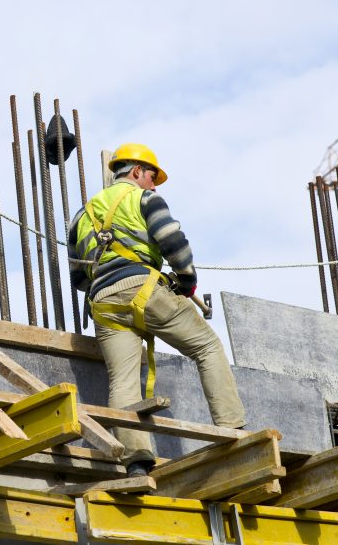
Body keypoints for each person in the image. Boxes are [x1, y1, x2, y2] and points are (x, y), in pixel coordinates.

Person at [67, 143, 246, 476]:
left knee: (122, 382)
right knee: (207, 347)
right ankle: (233, 430)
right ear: (136, 172)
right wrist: (187, 282)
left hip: (103, 303)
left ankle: (136, 461)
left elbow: (78, 277)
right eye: (151, 177)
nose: (153, 185)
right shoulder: (144, 199)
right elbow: (173, 242)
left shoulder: (81, 216)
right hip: (145, 290)